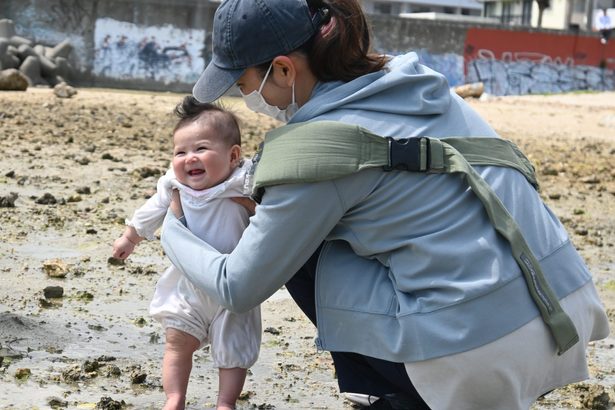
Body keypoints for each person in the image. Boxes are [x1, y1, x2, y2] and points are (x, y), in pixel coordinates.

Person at [160, 0, 610, 409]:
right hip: (559, 314)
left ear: (282, 71)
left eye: (243, 84)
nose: (246, 98)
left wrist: (172, 230)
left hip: (481, 356)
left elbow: (238, 286)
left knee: (300, 248)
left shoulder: (317, 152)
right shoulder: (416, 82)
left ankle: (396, 396)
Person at [112, 96, 261, 410]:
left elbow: (273, 218)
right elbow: (152, 210)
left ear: (233, 156)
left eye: (201, 149)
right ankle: (175, 398)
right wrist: (131, 236)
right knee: (176, 341)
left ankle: (225, 402)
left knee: (234, 352)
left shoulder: (244, 182)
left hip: (232, 284)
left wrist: (254, 207)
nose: (189, 158)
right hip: (188, 282)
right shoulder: (174, 186)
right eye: (180, 152)